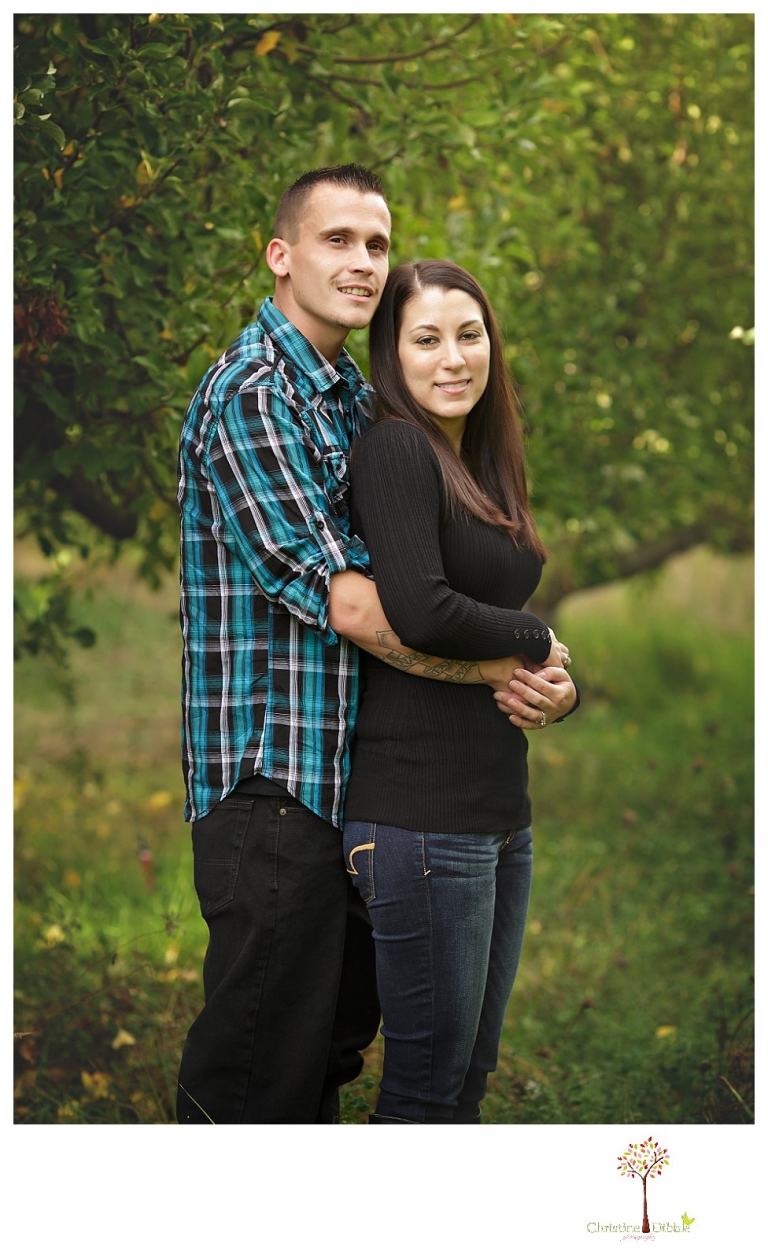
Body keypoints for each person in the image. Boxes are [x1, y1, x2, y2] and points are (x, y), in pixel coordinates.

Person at [175, 167, 552, 1124]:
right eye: (336, 239)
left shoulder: (347, 393)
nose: (361, 262)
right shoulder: (253, 395)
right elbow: (353, 604)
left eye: (376, 244)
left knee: (324, 1062)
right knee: (256, 1072)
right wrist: (511, 667)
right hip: (271, 778)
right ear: (281, 254)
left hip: (342, 778)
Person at [342, 259, 579, 1124]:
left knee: (466, 1079)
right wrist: (541, 639)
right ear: (391, 354)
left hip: (493, 807)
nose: (453, 358)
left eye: (469, 334)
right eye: (427, 339)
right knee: (424, 1096)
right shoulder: (396, 446)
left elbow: (498, 624)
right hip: (419, 812)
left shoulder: (478, 460)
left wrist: (560, 687)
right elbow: (424, 608)